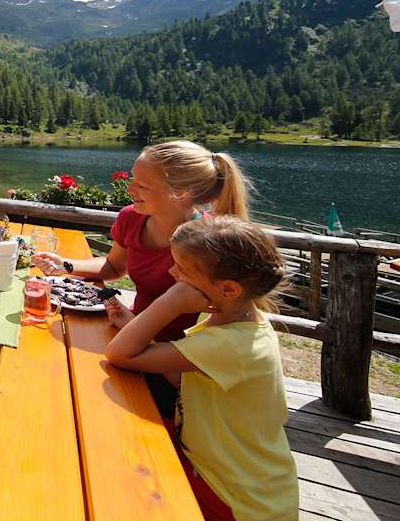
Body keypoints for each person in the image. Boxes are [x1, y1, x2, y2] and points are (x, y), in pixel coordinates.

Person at [33, 140, 251, 416]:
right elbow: (114, 267)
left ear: (181, 192)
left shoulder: (206, 244)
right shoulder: (131, 218)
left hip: (173, 362)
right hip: (127, 332)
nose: (130, 188)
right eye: (133, 179)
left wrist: (137, 332)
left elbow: (220, 327)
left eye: (143, 185)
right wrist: (66, 265)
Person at [105, 215, 298, 521]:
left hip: (235, 497)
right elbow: (183, 376)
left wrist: (171, 301)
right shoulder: (231, 321)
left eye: (181, 270)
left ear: (229, 289)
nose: (171, 272)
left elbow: (119, 354)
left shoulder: (232, 343)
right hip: (224, 474)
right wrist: (135, 325)